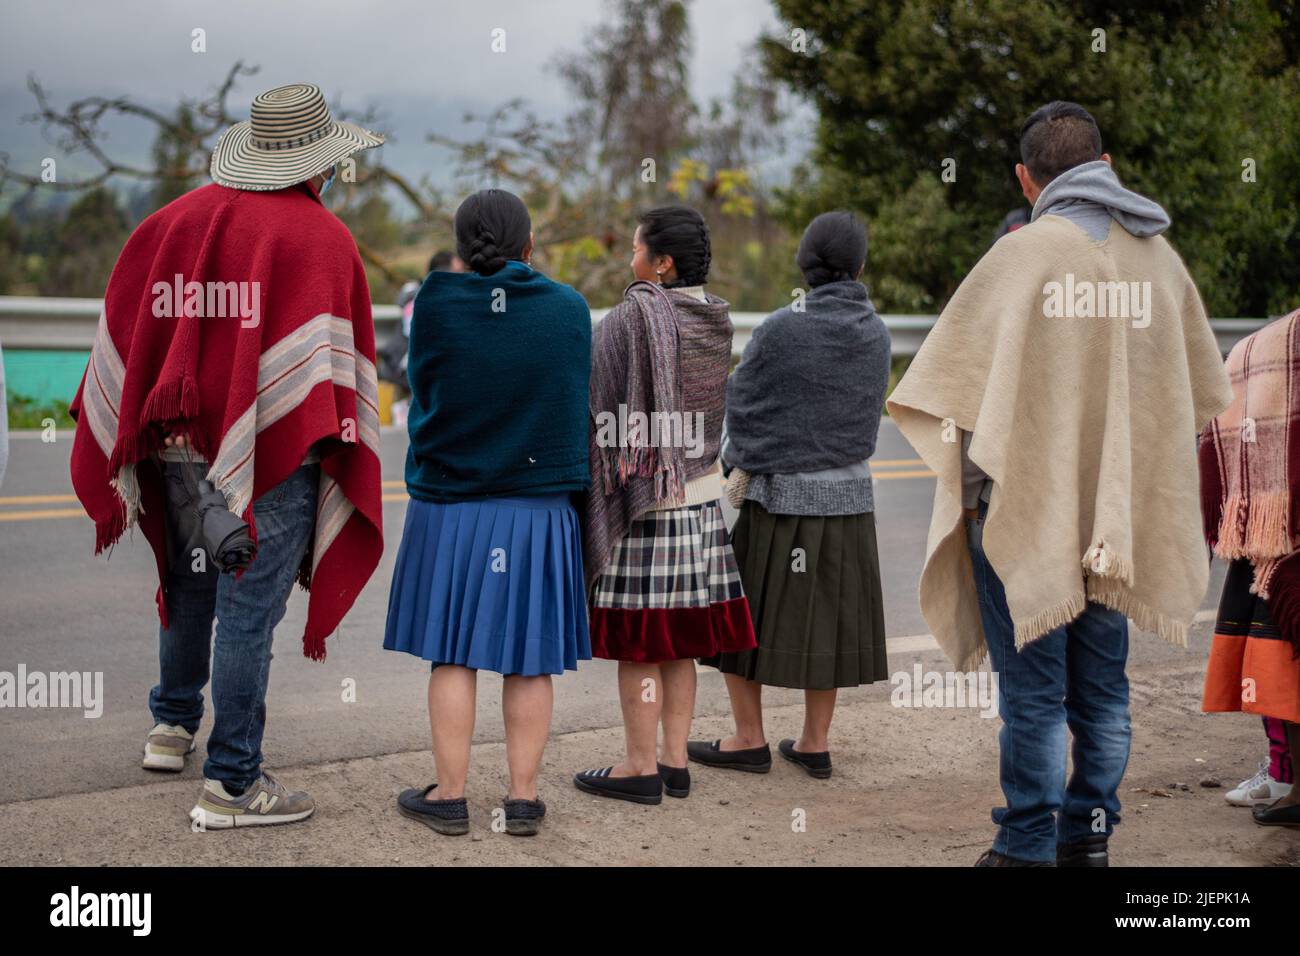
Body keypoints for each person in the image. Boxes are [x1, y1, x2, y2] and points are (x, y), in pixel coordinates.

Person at [887, 101, 1233, 865]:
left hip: (1026, 514)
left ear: (1025, 176)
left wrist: (980, 498)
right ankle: (1090, 837)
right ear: (1105, 167)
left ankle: (1025, 845)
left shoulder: (1023, 254)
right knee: (1103, 688)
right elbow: (1192, 397)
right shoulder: (1161, 259)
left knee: (1034, 691)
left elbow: (955, 390)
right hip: (1116, 522)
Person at [68, 83, 386, 829]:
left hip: (176, 447)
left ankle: (171, 726)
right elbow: (330, 373)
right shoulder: (321, 239)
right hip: (271, 452)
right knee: (247, 609)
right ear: (318, 164)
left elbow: (128, 320)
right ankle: (233, 784)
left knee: (190, 582)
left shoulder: (170, 222)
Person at [385, 188, 592, 837]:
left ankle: (449, 797)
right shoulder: (569, 309)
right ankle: (523, 799)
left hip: (452, 506)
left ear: (461, 243)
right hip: (538, 509)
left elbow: (425, 392)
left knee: (452, 654)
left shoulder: (434, 305)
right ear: (530, 246)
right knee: (528, 658)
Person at [693, 211, 891, 779]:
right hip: (849, 503)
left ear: (805, 264)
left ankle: (748, 739)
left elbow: (744, 402)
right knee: (827, 624)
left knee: (739, 620)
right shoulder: (875, 332)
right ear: (859, 266)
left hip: (777, 501)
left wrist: (737, 458)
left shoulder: (783, 326)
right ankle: (814, 742)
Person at [574, 205, 756, 805]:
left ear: (662, 262)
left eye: (635, 250)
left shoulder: (634, 317)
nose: (630, 262)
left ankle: (638, 767)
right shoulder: (718, 318)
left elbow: (593, 389)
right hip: (701, 502)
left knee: (641, 646)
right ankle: (675, 763)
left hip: (648, 502)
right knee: (679, 645)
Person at [1200, 306, 1300, 827]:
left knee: (1276, 658)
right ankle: (1283, 771)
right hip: (1276, 527)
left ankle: (1285, 772)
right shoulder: (1265, 348)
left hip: (1272, 530)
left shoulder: (1257, 350)